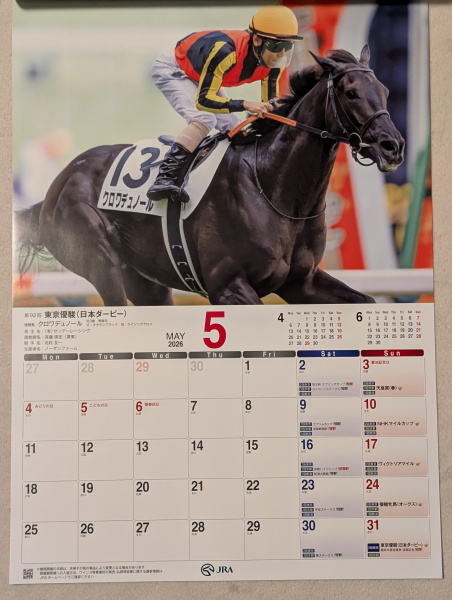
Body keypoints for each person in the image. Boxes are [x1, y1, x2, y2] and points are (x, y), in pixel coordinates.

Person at [147, 5, 303, 203]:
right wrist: (246, 104)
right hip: (174, 68)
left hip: (200, 73)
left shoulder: (273, 63)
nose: (280, 55)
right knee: (204, 119)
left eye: (287, 47)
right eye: (276, 47)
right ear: (257, 40)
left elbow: (271, 106)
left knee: (234, 128)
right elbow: (204, 101)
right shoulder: (226, 51)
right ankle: (165, 177)